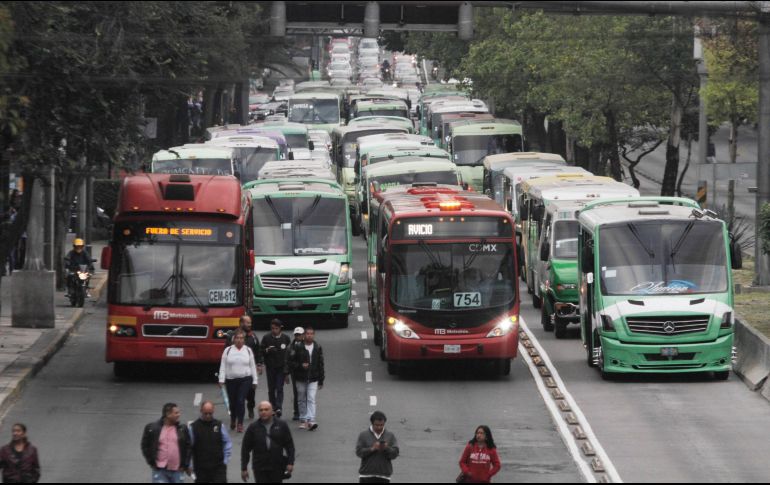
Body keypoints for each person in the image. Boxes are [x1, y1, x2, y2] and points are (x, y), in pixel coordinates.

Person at [241, 401, 295, 484]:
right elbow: (245, 449)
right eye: (261, 410)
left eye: (266, 409)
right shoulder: (253, 428)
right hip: (260, 467)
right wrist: (244, 468)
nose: (263, 412)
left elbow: (289, 445)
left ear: (272, 411)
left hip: (277, 466)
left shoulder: (282, 425)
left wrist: (290, 463)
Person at [141, 403, 192, 484]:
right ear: (168, 414)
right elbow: (145, 446)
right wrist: (151, 462)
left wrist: (185, 465)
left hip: (177, 470)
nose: (179, 415)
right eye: (176, 413)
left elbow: (188, 447)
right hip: (160, 470)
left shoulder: (182, 429)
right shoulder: (152, 428)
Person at [219, 330, 259, 433]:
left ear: (244, 340)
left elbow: (252, 366)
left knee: (241, 400)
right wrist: (221, 379)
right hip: (231, 380)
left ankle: (240, 423)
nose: (239, 340)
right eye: (237, 338)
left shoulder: (248, 350)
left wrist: (255, 380)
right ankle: (233, 419)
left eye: (241, 338)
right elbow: (223, 365)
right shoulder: (228, 350)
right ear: (234, 339)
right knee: (233, 402)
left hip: (245, 379)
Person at [226, 315, 264, 419]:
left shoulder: (253, 336)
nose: (250, 325)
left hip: (249, 371)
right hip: (235, 371)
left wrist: (259, 364)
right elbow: (226, 352)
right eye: (247, 323)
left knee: (251, 392)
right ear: (241, 323)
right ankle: (238, 414)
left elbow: (258, 351)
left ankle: (250, 407)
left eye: (250, 323)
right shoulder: (232, 336)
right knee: (238, 396)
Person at [288, 326, 324, 431]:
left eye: (311, 334)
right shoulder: (298, 347)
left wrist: (321, 379)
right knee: (301, 398)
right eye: (307, 334)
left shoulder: (317, 347)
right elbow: (291, 362)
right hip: (300, 377)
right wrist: (300, 365)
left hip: (313, 377)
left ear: (314, 335)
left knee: (311, 398)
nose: (309, 336)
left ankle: (311, 420)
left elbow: (320, 363)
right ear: (304, 335)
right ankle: (303, 419)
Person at [188, 401, 232, 483]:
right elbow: (189, 447)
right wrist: (189, 465)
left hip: (218, 467)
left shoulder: (219, 425)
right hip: (201, 468)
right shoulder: (194, 427)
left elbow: (227, 442)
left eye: (210, 413)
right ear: (201, 411)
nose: (208, 416)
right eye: (205, 413)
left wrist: (225, 460)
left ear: (213, 411)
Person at [355, 411, 399, 483]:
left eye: (381, 425)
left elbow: (395, 454)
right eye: (377, 425)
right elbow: (359, 452)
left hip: (384, 476)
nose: (379, 427)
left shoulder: (390, 436)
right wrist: (372, 449)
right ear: (372, 423)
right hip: (366, 476)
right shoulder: (363, 435)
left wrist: (386, 448)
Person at [261, 319, 291, 418]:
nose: (274, 330)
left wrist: (287, 371)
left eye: (276, 328)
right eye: (272, 328)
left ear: (280, 328)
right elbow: (261, 351)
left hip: (281, 368)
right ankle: (272, 407)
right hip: (270, 367)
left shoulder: (286, 338)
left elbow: (289, 354)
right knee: (271, 388)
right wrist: (267, 350)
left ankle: (278, 407)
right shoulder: (266, 338)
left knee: (279, 387)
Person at [289, 328, 305, 421]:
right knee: (297, 392)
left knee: (305, 392)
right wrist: (286, 372)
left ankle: (305, 412)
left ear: (303, 335)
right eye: (296, 335)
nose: (298, 336)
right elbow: (288, 359)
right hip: (295, 372)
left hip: (305, 372)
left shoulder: (307, 345)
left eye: (299, 334)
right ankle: (297, 412)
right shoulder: (291, 346)